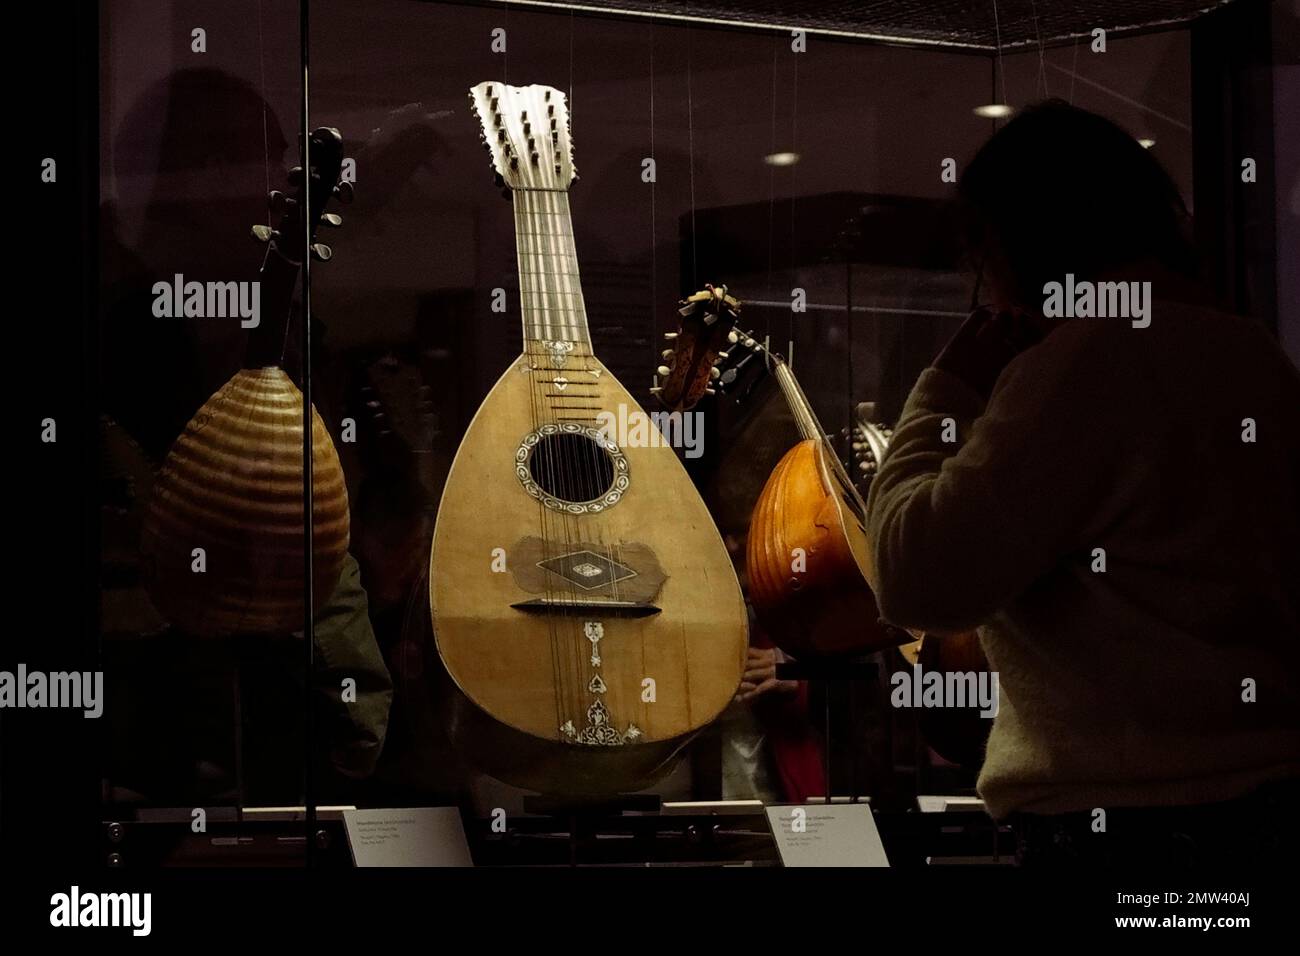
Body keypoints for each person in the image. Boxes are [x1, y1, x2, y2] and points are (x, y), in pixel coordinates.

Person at [864, 100, 1300, 868]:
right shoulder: (1252, 353)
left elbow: (915, 575)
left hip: (1126, 827)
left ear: (1015, 242)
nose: (988, 293)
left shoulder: (1082, 366)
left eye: (984, 263)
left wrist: (947, 390)